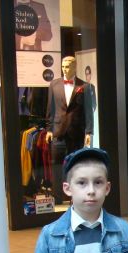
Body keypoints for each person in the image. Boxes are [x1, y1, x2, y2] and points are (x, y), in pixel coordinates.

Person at [46, 56, 94, 203]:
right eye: (63, 66)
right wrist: (49, 129)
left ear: (74, 67)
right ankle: (57, 197)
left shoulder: (85, 86)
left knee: (76, 165)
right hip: (58, 131)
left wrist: (89, 131)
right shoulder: (54, 85)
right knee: (57, 165)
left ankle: (76, 197)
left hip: (76, 131)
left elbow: (88, 110)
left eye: (67, 66)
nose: (65, 69)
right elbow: (50, 108)